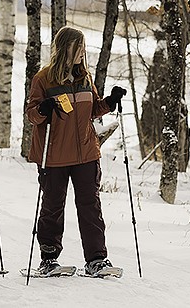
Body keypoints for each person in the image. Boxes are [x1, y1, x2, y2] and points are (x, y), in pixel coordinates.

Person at [24, 27, 127, 278]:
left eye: (83, 47)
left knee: (90, 206)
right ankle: (48, 259)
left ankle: (96, 260)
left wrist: (110, 102)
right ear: (65, 48)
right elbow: (31, 115)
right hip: (55, 154)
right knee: (52, 207)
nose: (83, 51)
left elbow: (92, 109)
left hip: (86, 154)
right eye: (78, 46)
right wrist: (44, 108)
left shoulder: (84, 77)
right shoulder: (44, 78)